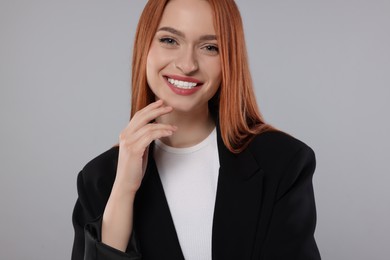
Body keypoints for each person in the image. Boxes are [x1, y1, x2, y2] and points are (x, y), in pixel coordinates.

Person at [72, 0, 321, 259]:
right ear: (144, 45)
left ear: (229, 60)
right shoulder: (99, 179)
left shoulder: (282, 162)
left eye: (210, 47)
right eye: (169, 40)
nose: (188, 64)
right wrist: (123, 189)